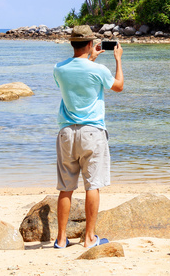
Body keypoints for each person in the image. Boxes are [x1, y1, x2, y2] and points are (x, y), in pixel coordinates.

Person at [52, 24, 124, 249]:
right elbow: (118, 87)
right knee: (92, 185)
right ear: (91, 44)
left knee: (66, 187)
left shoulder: (59, 68)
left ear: (72, 43)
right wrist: (118, 60)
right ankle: (89, 238)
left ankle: (61, 239)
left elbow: (77, 77)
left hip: (66, 132)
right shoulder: (99, 70)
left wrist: (89, 59)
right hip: (92, 131)